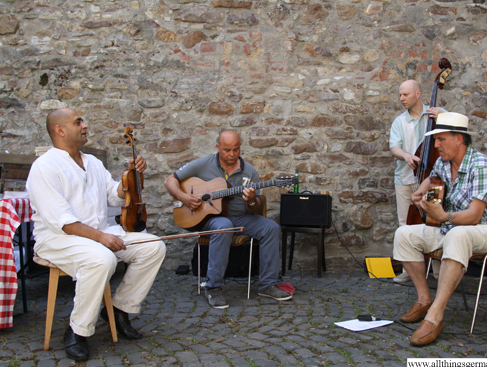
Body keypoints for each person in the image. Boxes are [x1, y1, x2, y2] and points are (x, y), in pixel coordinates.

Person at [27, 108, 166, 361]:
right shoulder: (44, 167)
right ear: (60, 130)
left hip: (98, 232)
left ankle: (119, 308)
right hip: (58, 239)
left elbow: (115, 194)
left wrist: (133, 176)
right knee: (102, 259)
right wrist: (101, 239)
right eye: (78, 122)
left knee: (153, 245)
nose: (85, 125)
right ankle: (77, 331)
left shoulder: (92, 162)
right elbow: (64, 222)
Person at [393, 112, 487, 346]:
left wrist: (444, 216)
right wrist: (419, 193)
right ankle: (424, 298)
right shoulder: (444, 161)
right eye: (436, 140)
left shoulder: (482, 165)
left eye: (441, 139)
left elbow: (474, 215)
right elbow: (434, 176)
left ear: (459, 139)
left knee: (458, 233)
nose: (436, 145)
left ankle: (436, 314)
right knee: (404, 233)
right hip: (453, 228)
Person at [164, 130, 292, 309]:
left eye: (236, 149)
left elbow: (254, 208)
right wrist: (183, 197)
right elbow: (170, 180)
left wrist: (250, 200)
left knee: (271, 227)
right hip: (213, 218)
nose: (232, 154)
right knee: (224, 225)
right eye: (226, 150)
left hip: (242, 218)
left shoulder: (250, 171)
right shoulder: (203, 164)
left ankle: (267, 284)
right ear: (218, 147)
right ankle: (213, 287)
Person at [390, 79, 444, 283]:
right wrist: (406, 156)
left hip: (433, 179)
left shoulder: (436, 113)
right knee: (405, 224)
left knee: (434, 222)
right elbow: (394, 146)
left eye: (406, 94)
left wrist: (445, 117)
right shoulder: (399, 121)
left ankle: (438, 271)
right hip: (405, 177)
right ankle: (409, 271)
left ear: (418, 94)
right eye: (400, 95)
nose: (402, 98)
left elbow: (457, 130)